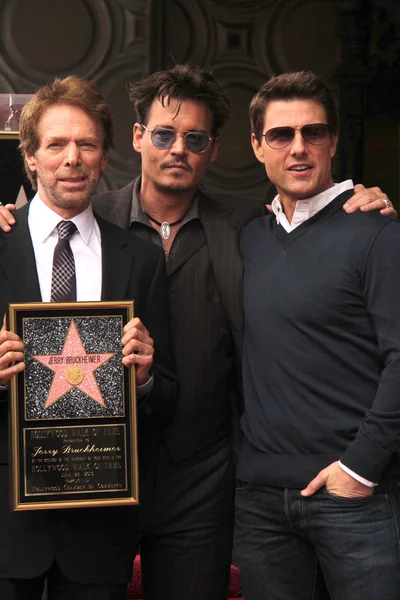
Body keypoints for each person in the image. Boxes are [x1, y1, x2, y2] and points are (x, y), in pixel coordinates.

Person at [0, 65, 394, 600]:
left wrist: (367, 203)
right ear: (138, 139)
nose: (177, 149)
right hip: (91, 475)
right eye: (163, 134)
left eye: (196, 138)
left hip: (202, 480)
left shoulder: (247, 227)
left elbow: (309, 221)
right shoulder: (90, 215)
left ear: (214, 149)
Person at [0, 75, 176, 600]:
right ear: (30, 157)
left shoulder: (142, 260)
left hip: (100, 524)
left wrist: (144, 379)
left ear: (105, 157)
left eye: (87, 144)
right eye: (56, 144)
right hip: (6, 523)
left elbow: (168, 397)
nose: (72, 158)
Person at [235, 70, 400, 600]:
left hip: (355, 500)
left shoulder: (377, 233)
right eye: (281, 135)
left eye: (314, 132)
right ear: (258, 146)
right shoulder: (248, 239)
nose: (299, 148)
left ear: (333, 141)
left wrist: (360, 470)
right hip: (259, 502)